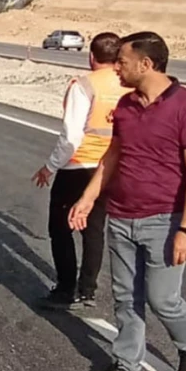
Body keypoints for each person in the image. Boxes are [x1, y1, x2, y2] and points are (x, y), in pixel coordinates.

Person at [69, 31, 186, 371]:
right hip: (121, 216)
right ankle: (127, 365)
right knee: (126, 297)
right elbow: (112, 156)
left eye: (123, 61)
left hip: (165, 220)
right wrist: (88, 198)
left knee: (164, 299)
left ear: (146, 64)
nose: (116, 68)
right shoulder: (126, 105)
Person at [31, 32, 129, 309]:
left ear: (91, 56)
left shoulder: (84, 85)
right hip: (110, 169)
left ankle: (64, 289)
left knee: (60, 228)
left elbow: (71, 136)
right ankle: (87, 291)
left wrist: (49, 167)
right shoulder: (127, 86)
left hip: (79, 166)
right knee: (94, 229)